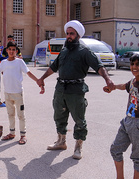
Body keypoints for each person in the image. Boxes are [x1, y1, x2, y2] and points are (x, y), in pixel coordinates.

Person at [37, 20, 115, 159]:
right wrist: (42, 78)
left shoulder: (84, 52)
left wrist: (108, 80)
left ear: (78, 35)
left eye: (72, 34)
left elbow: (99, 66)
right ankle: (61, 142)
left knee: (79, 119)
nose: (69, 36)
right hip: (60, 89)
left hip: (76, 90)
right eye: (67, 33)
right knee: (59, 116)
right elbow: (53, 67)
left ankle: (78, 147)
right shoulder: (64, 51)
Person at [0, 42, 44, 144]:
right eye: (9, 49)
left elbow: (29, 73)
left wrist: (38, 81)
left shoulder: (20, 62)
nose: (11, 51)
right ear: (6, 50)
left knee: (21, 115)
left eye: (13, 49)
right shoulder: (4, 63)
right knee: (10, 114)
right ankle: (12, 133)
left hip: (18, 93)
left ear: (16, 51)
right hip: (7, 93)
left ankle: (23, 135)